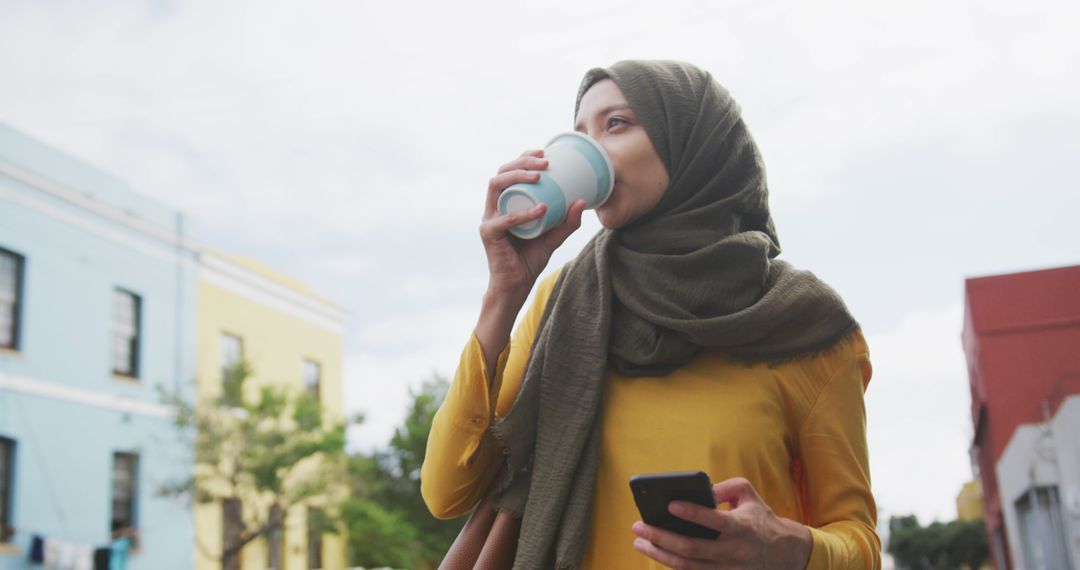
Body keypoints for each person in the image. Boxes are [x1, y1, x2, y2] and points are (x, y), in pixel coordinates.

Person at [421, 60, 879, 569]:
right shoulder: (563, 303)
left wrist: (787, 547)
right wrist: (504, 294)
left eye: (616, 124)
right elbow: (446, 492)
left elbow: (859, 542)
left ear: (691, 142)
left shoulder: (803, 323)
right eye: (579, 134)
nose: (591, 149)